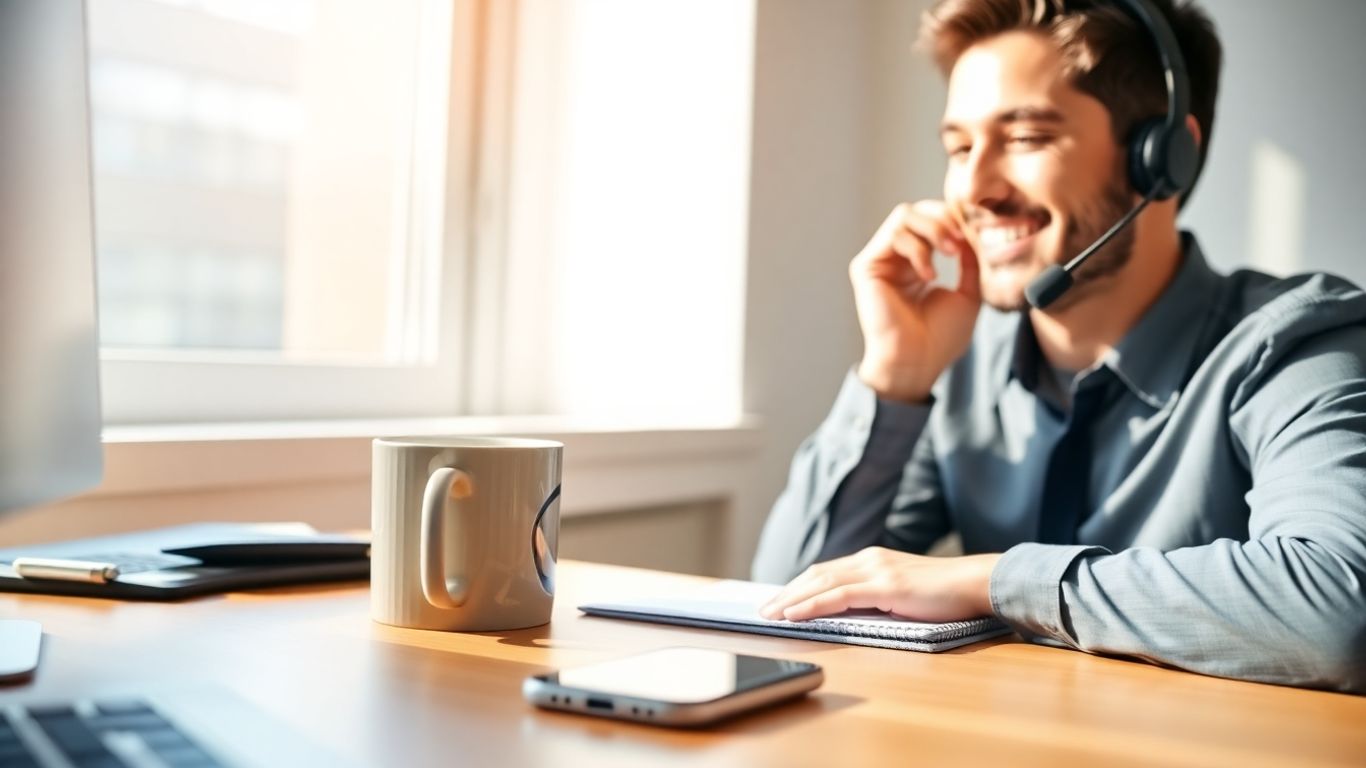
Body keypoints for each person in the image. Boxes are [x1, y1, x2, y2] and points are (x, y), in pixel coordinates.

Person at [751, 0, 1366, 694]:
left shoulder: (1295, 341)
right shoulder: (963, 365)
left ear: (1162, 159)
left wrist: (996, 578)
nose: (973, 188)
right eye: (958, 148)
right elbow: (782, 602)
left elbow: (1338, 612)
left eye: (1025, 137)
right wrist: (893, 378)